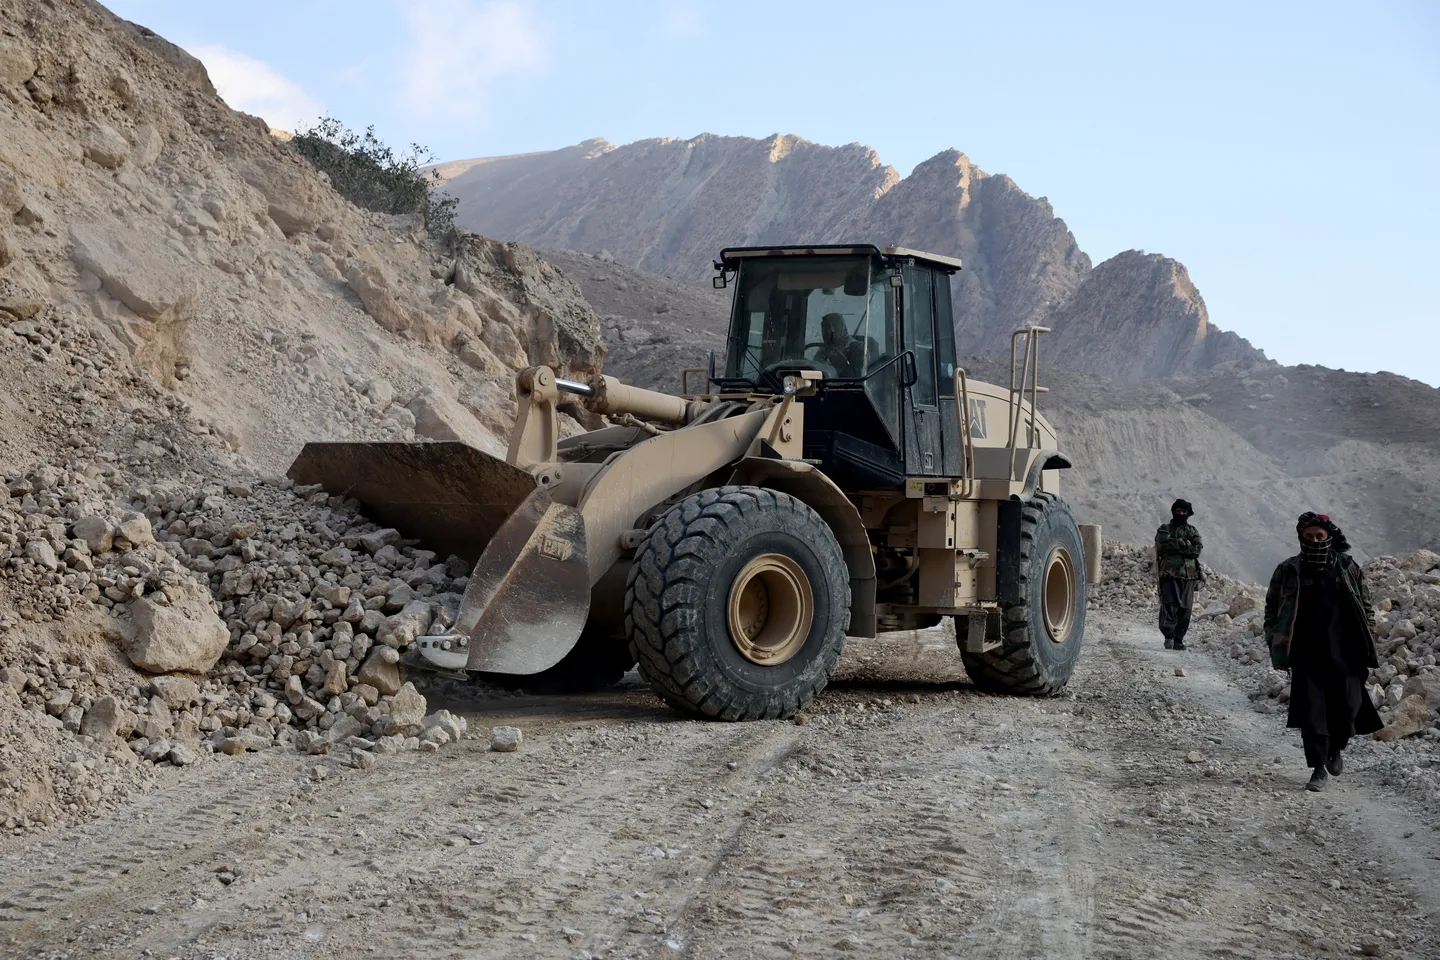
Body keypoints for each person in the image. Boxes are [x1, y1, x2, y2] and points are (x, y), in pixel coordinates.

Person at [1263, 512, 1382, 792]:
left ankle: (1336, 747)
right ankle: (1318, 768)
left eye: (1319, 536)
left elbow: (1366, 606)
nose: (1314, 541)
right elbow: (1271, 607)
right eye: (1308, 537)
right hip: (1307, 652)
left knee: (1349, 705)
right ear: (1301, 539)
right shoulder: (1289, 570)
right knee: (1313, 711)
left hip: (1346, 651)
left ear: (1329, 536)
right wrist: (1275, 637)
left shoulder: (1347, 567)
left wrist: (1369, 635)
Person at [1154, 498, 1203, 650]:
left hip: (1189, 575)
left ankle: (1178, 639)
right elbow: (1162, 546)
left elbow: (1197, 550)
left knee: (1185, 608)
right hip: (1170, 573)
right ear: (1174, 512)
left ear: (1188, 514)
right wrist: (1183, 544)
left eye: (1184, 511)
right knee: (1169, 605)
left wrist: (1176, 545)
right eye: (1178, 511)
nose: (1181, 513)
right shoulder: (1165, 528)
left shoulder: (1192, 531)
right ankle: (1168, 635)